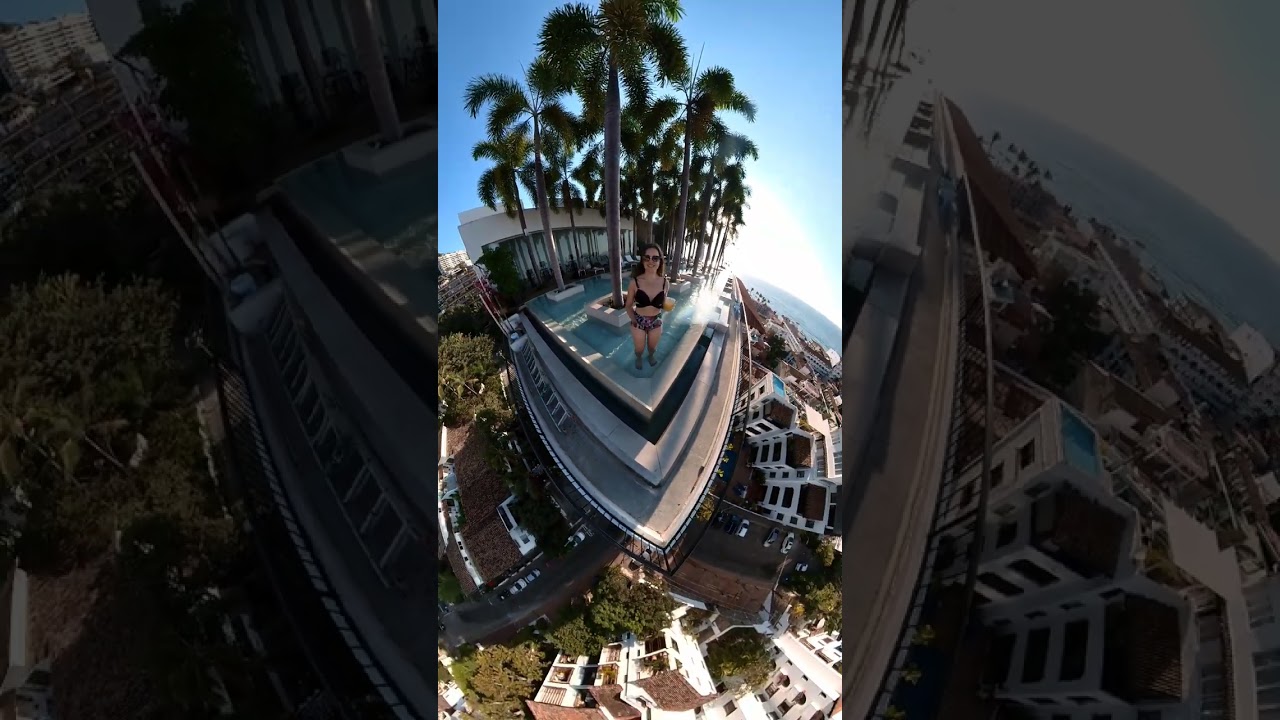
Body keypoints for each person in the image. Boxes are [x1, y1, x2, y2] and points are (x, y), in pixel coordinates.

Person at [625, 243, 671, 369]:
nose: (651, 261)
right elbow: (628, 306)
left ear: (660, 261)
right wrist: (634, 321)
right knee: (639, 349)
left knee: (652, 348)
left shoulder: (665, 283)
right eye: (647, 257)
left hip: (656, 320)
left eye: (655, 258)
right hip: (638, 320)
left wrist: (667, 307)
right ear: (643, 260)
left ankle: (650, 356)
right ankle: (639, 357)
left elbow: (664, 303)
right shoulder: (634, 282)